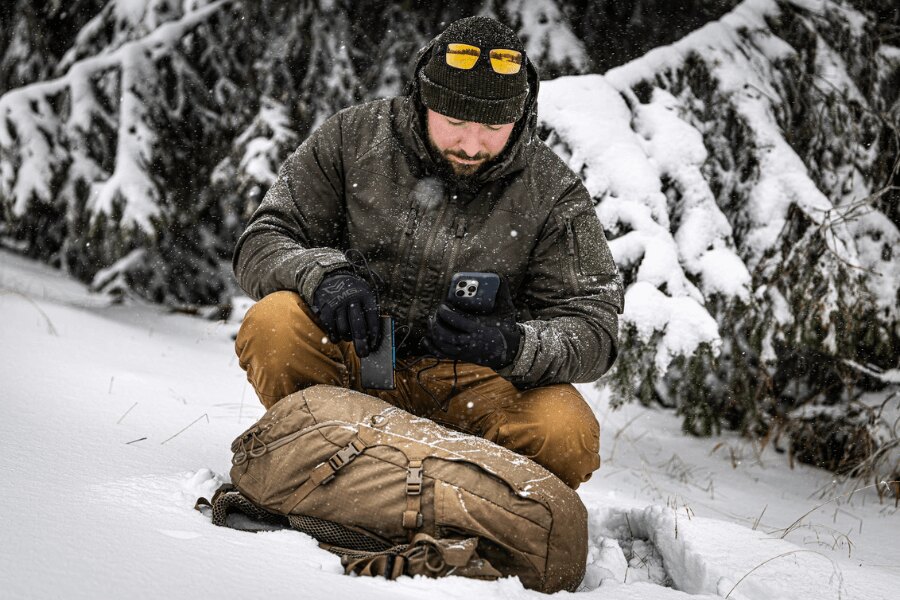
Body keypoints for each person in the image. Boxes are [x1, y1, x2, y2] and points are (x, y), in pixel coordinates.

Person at [233, 16, 623, 489]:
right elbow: (262, 239)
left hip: (472, 389)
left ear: (520, 117)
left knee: (567, 432)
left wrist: (513, 344)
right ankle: (320, 458)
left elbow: (595, 326)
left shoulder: (552, 192)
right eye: (455, 121)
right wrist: (323, 276)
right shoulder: (354, 138)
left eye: (494, 126)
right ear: (424, 100)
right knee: (274, 324)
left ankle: (459, 493)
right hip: (352, 363)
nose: (471, 144)